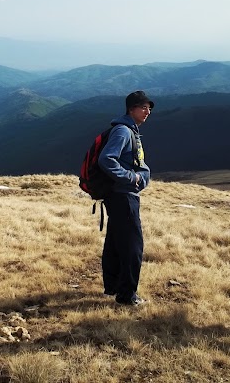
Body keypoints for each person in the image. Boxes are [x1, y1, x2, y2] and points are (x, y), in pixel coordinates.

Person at [98, 90, 153, 306]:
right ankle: (127, 296)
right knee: (133, 245)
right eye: (143, 107)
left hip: (117, 195)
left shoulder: (129, 130)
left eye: (149, 107)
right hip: (123, 195)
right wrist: (130, 178)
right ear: (131, 109)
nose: (148, 111)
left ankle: (112, 287)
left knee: (115, 241)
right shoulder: (123, 131)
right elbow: (107, 159)